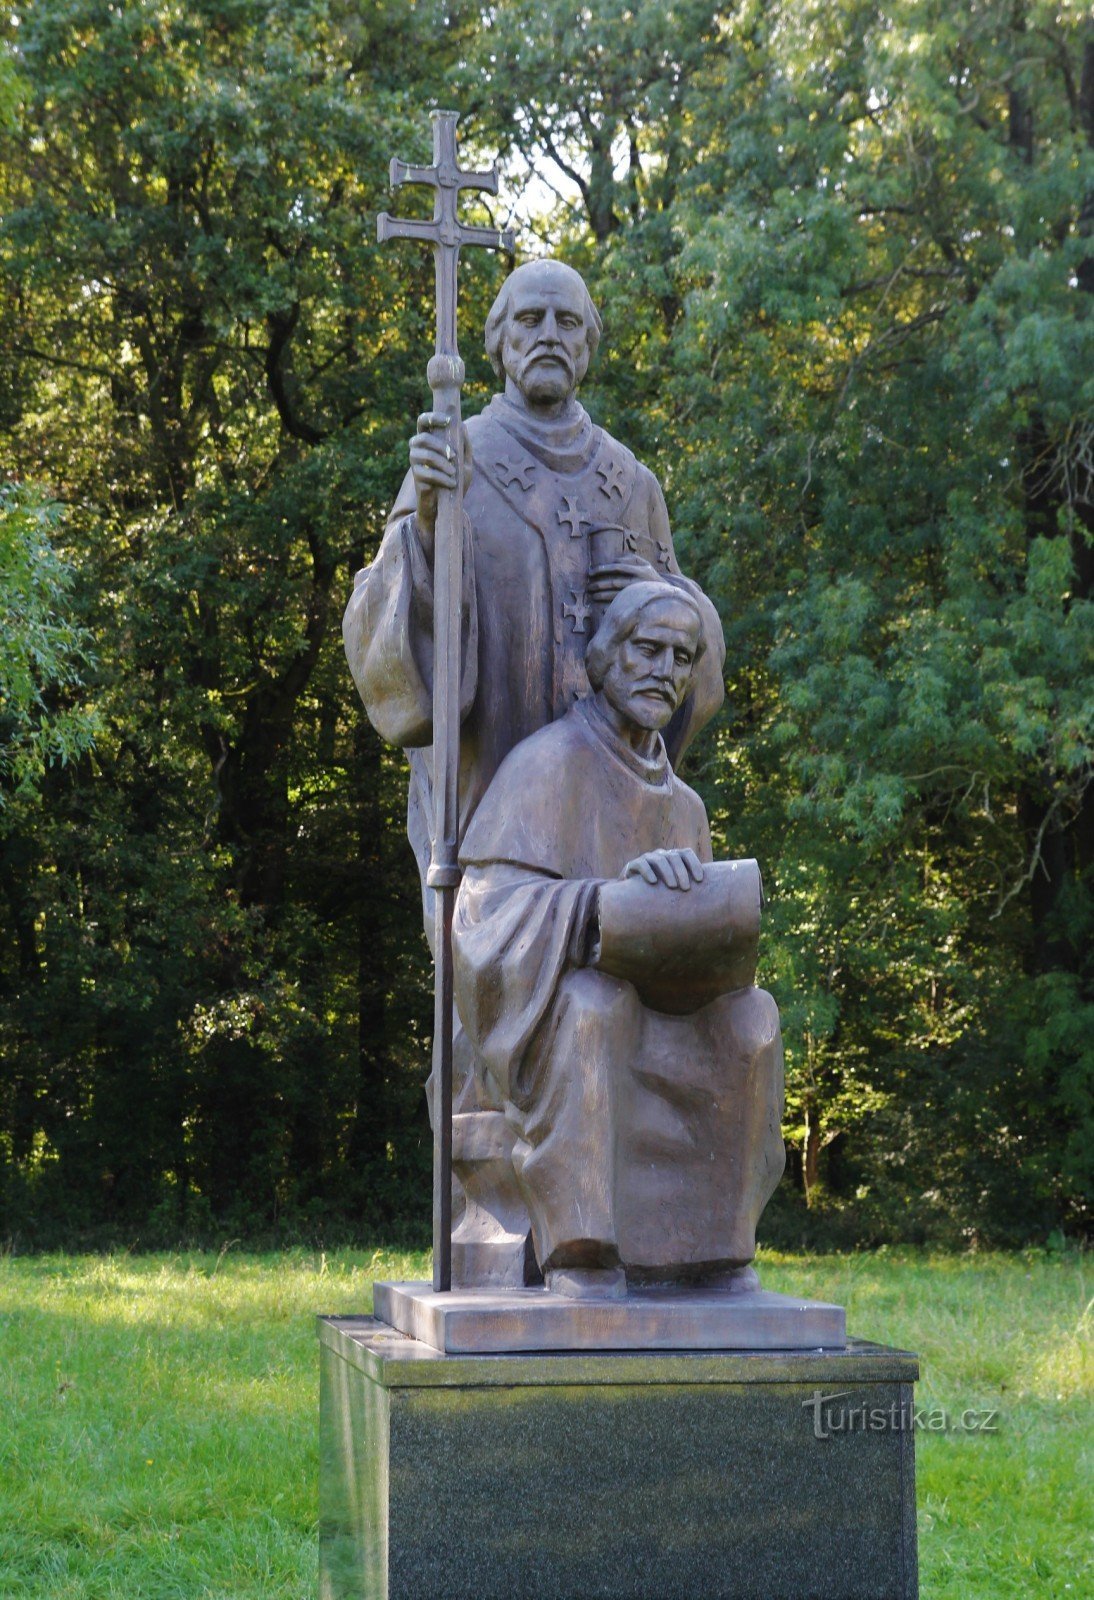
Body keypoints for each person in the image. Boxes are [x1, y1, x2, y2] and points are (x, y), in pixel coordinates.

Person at [343, 259, 726, 943]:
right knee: (491, 996)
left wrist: (658, 594)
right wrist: (428, 527)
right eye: (529, 319)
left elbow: (689, 645)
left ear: (588, 344)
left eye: (567, 321)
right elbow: (382, 628)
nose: (548, 334)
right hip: (490, 788)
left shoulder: (631, 482)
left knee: (615, 975)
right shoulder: (454, 459)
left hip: (607, 805)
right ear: (497, 342)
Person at [453, 584, 786, 1300]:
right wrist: (604, 907)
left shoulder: (685, 806)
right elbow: (486, 922)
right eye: (648, 649)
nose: (665, 670)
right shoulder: (548, 765)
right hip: (561, 1017)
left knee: (751, 1020)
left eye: (682, 657)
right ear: (604, 659)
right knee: (595, 1003)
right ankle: (585, 1254)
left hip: (669, 1008)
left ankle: (714, 1256)